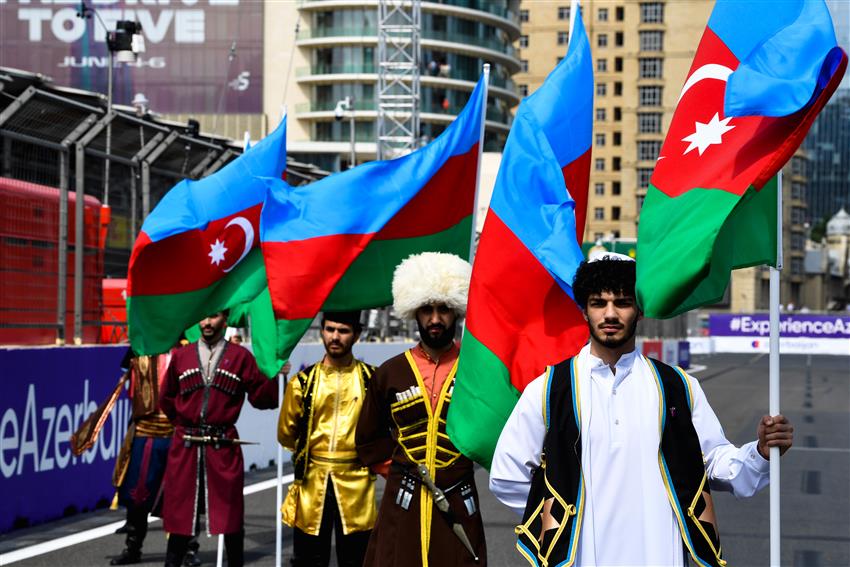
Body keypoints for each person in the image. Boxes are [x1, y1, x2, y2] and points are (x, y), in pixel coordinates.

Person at [489, 255, 794, 567]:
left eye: (622, 302)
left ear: (640, 310)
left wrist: (761, 452)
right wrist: (557, 523)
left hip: (660, 551)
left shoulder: (677, 386)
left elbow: (715, 462)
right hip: (580, 557)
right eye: (598, 303)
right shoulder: (549, 389)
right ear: (584, 311)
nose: (610, 314)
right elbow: (507, 475)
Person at [356, 252, 486, 566]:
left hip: (459, 498)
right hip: (403, 502)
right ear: (414, 311)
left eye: (443, 309)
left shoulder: (476, 370)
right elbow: (368, 439)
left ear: (456, 311)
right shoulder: (390, 372)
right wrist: (402, 472)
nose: (435, 319)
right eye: (427, 309)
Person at [159, 311, 279, 567]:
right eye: (202, 317)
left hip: (223, 447)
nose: (206, 323)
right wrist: (184, 425)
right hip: (186, 447)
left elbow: (263, 399)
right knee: (181, 517)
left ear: (225, 319)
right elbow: (166, 398)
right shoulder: (181, 356)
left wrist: (274, 371)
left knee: (230, 516)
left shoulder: (241, 357)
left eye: (212, 317)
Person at [278, 311, 378, 567]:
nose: (335, 337)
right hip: (312, 482)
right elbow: (286, 434)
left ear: (357, 334)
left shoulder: (372, 380)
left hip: (357, 484)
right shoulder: (302, 382)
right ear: (321, 330)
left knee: (357, 559)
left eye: (343, 331)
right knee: (308, 559)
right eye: (330, 329)